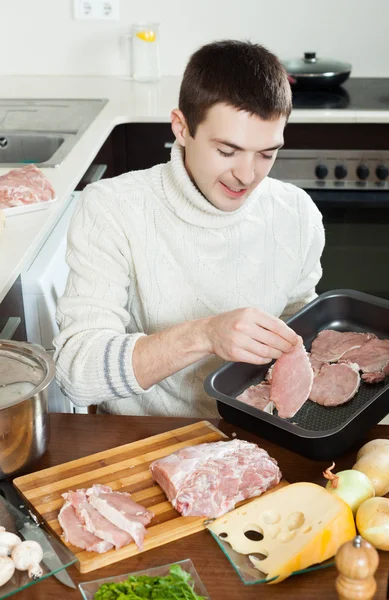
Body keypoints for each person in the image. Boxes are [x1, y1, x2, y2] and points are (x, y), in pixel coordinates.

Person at [53, 39, 325, 417]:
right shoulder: (112, 207)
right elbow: (76, 373)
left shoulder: (296, 212)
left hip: (256, 435)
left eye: (266, 154)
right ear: (181, 128)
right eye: (226, 151)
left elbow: (300, 320)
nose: (247, 176)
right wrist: (205, 334)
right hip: (146, 438)